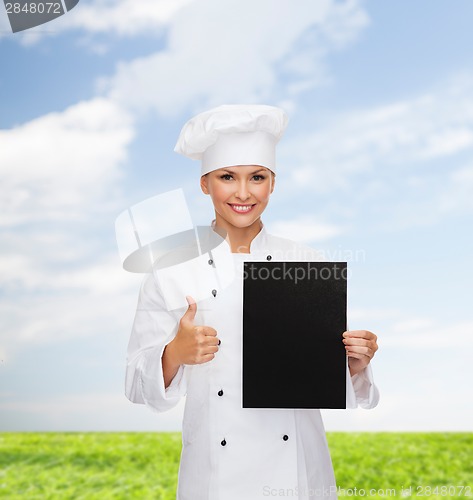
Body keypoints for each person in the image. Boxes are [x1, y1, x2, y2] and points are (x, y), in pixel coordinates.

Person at [125, 104, 379, 500]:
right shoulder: (171, 269)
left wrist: (353, 364)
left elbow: (329, 380)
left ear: (273, 184)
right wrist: (174, 352)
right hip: (214, 476)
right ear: (205, 183)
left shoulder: (307, 262)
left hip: (297, 472)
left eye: (257, 177)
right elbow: (136, 385)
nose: (243, 193)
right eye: (228, 177)